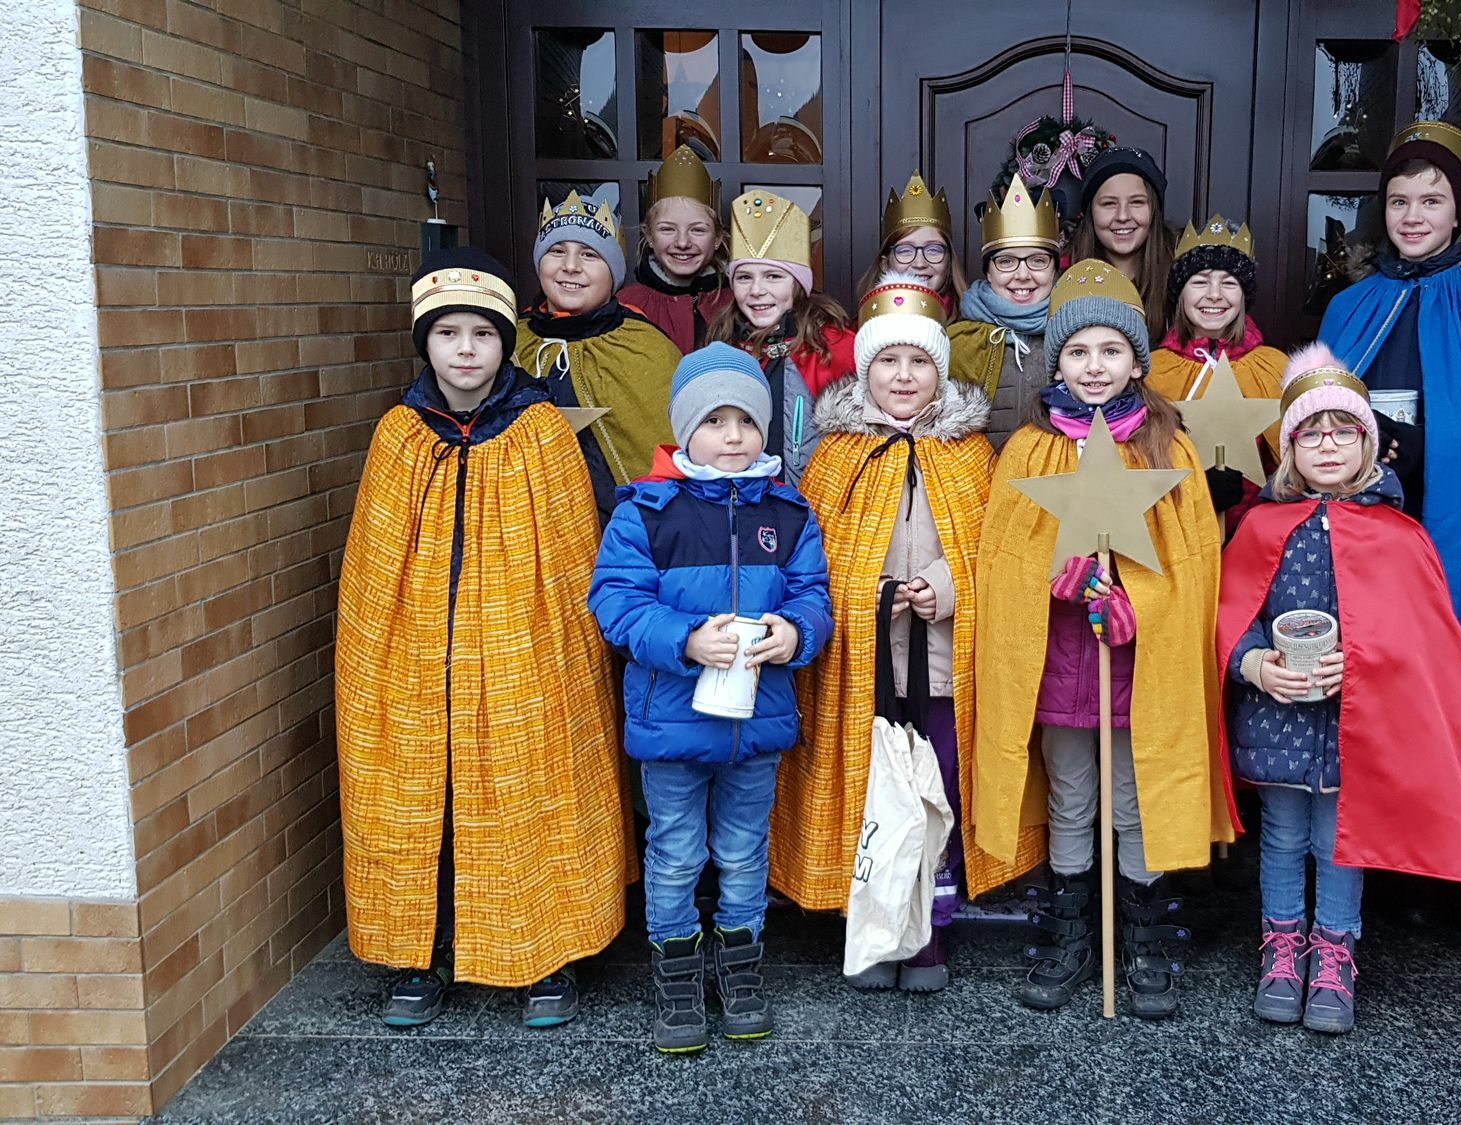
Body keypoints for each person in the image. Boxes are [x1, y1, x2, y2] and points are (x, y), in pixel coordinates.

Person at [1216, 344, 1461, 1035]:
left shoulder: (1400, 536)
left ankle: (1334, 957)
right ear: (1288, 447)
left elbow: (1420, 637)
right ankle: (1281, 952)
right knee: (1282, 834)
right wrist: (1254, 666)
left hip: (1356, 723)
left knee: (1344, 839)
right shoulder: (1261, 525)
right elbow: (1228, 616)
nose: (1327, 444)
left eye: (1343, 430)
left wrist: (1363, 663)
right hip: (1276, 716)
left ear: (1368, 443)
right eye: (1310, 432)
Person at [336, 248, 630, 1031]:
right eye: (447, 334)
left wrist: (547, 651)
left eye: (483, 334)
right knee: (423, 795)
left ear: (506, 341)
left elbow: (571, 564)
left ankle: (549, 953)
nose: (465, 350)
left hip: (525, 650)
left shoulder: (541, 432)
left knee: (534, 783)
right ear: (425, 343)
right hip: (417, 656)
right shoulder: (399, 436)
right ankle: (422, 952)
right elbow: (371, 572)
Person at [972, 259, 1231, 1019]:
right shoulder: (1030, 449)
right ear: (1057, 361)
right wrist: (1050, 583)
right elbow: (1004, 558)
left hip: (1135, 671)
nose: (1094, 366)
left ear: (1136, 362)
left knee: (1135, 797)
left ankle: (1143, 934)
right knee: (1071, 796)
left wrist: (1141, 607)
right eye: (1079, 352)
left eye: (1111, 351)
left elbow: (1192, 563)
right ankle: (1071, 932)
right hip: (1060, 666)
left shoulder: (1168, 448)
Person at [776, 273, 1037, 992]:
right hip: (863, 667)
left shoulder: (971, 455)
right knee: (871, 794)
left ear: (939, 371)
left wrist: (946, 589)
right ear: (866, 369)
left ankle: (926, 933)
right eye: (888, 360)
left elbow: (995, 550)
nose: (903, 375)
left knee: (936, 793)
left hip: (944, 665)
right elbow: (814, 558)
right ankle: (870, 927)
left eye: (919, 361)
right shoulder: (836, 454)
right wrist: (868, 591)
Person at [589, 341, 834, 1055]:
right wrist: (686, 639)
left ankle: (741, 964)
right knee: (673, 850)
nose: (733, 436)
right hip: (672, 723)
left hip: (756, 723)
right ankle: (676, 972)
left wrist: (795, 632)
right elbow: (616, 601)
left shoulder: (788, 512)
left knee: (744, 847)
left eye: (747, 421)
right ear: (683, 429)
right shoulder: (647, 512)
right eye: (715, 421)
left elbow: (813, 594)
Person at [1314, 121, 1461, 625]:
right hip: (1361, 495)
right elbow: (1315, 405)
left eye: (1431, 202)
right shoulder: (1350, 304)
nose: (1412, 217)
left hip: (1453, 499)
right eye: (1399, 202)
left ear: (1458, 213)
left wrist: (1432, 443)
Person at [517, 190, 684, 521]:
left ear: (613, 272)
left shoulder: (647, 347)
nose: (570, 266)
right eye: (557, 251)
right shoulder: (510, 343)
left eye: (589, 255)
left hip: (624, 533)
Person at [708, 189, 855, 486]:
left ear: (798, 284)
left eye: (773, 276)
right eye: (744, 277)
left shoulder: (835, 347)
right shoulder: (722, 346)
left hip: (815, 500)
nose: (757, 290)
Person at [1148, 215, 1288, 521]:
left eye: (1229, 283)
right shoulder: (1154, 371)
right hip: (1180, 526)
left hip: (1255, 527)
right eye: (1200, 282)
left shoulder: (1273, 366)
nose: (1214, 294)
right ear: (1181, 294)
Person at [948, 174, 1062, 445]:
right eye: (1006, 261)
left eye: (1038, 260)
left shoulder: (1074, 334)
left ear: (1054, 269)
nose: (1022, 275)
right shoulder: (958, 341)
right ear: (989, 271)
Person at [619, 145, 735, 353]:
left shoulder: (737, 304)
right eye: (667, 229)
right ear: (649, 236)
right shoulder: (625, 307)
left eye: (697, 230)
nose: (682, 242)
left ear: (717, 238)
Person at [1067, 146, 1175, 340]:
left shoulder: (1183, 276)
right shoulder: (1064, 274)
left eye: (1137, 202)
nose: (1123, 216)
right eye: (1109, 204)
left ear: (1154, 209)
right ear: (1090, 212)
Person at [856, 173, 968, 314]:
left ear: (949, 261)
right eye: (905, 251)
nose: (919, 264)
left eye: (933, 250)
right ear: (885, 264)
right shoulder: (864, 325)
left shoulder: (973, 326)